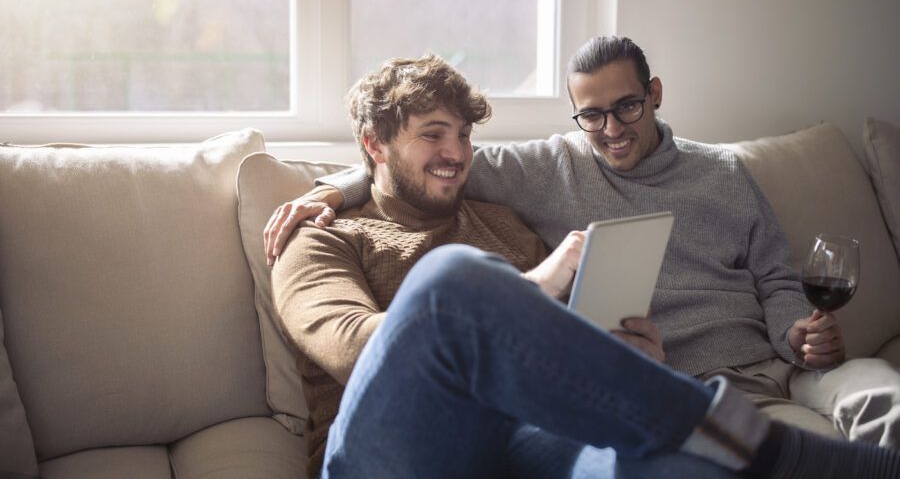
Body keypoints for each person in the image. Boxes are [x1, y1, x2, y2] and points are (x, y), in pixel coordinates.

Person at [270, 53, 900, 478]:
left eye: (464, 136)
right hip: (401, 449)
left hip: (526, 440)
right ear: (374, 146)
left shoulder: (501, 219)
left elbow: (562, 347)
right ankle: (777, 451)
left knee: (680, 466)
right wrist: (533, 289)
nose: (456, 154)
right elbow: (353, 347)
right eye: (433, 135)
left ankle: (726, 439)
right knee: (450, 282)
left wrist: (628, 352)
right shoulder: (322, 237)